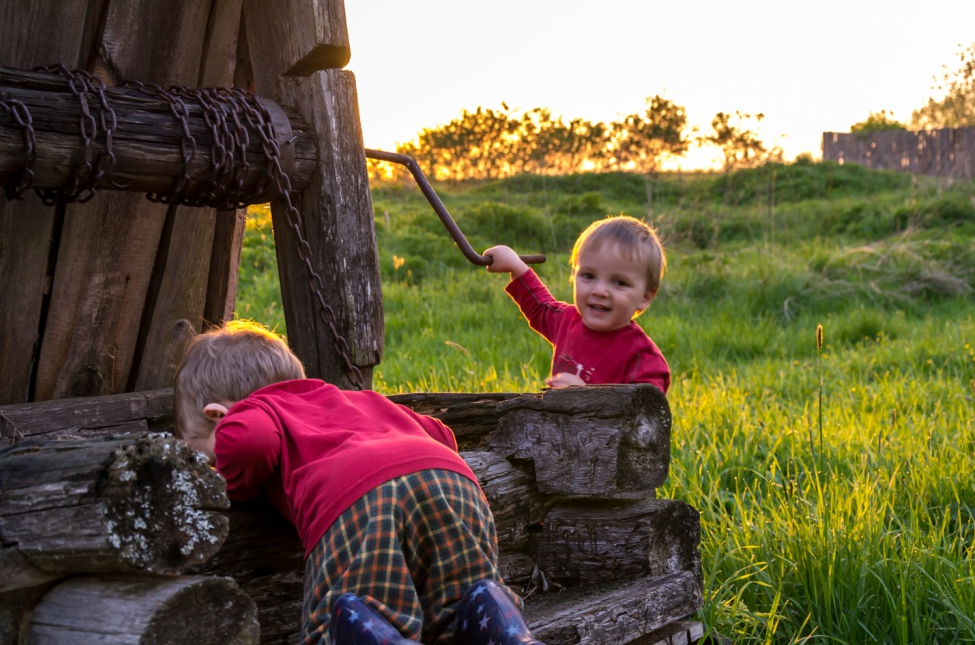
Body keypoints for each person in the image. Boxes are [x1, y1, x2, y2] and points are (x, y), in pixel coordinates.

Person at [173, 320, 543, 645]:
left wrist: (232, 486)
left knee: (358, 613)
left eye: (206, 455)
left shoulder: (252, 413)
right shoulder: (358, 399)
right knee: (460, 604)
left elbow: (250, 441)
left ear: (218, 415)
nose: (213, 464)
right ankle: (497, 620)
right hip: (451, 480)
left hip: (361, 500)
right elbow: (439, 433)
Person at [483, 215, 670, 393]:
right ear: (573, 276)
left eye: (619, 282)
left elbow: (646, 416)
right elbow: (540, 305)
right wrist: (516, 265)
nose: (599, 291)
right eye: (588, 276)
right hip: (556, 425)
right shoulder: (567, 320)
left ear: (645, 297)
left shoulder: (643, 359)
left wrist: (586, 397)